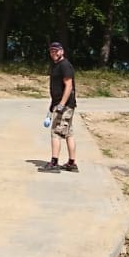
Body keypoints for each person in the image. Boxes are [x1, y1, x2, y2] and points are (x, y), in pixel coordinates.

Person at [47, 41, 78, 172]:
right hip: (61, 104)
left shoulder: (65, 65)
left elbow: (69, 86)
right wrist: (52, 106)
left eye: (56, 50)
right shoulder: (56, 65)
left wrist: (61, 105)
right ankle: (71, 163)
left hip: (64, 106)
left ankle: (54, 163)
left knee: (56, 133)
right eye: (51, 51)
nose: (54, 53)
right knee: (68, 133)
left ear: (62, 51)